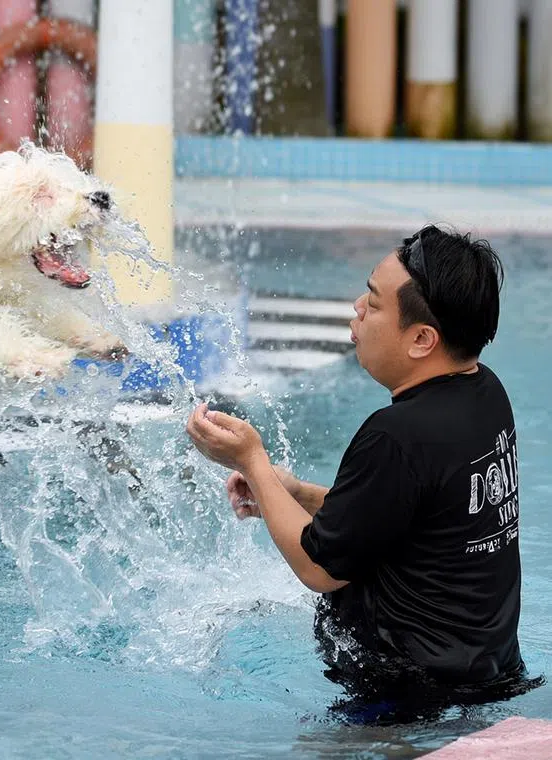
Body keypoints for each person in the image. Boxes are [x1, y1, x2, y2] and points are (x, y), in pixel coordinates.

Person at [185, 224, 541, 722]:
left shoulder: (396, 434)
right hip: (484, 672)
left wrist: (252, 460)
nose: (356, 307)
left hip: (404, 697)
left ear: (421, 339)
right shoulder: (486, 394)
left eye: (373, 304)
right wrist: (293, 493)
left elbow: (318, 569)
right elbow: (412, 520)